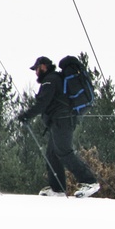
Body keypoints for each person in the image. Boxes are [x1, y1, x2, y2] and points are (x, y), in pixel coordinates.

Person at [17, 56, 100, 198]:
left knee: (64, 152)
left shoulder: (50, 80)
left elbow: (42, 103)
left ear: (43, 66)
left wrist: (26, 115)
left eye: (36, 69)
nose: (36, 72)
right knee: (52, 154)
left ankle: (90, 181)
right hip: (59, 121)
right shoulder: (55, 78)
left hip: (63, 121)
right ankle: (57, 189)